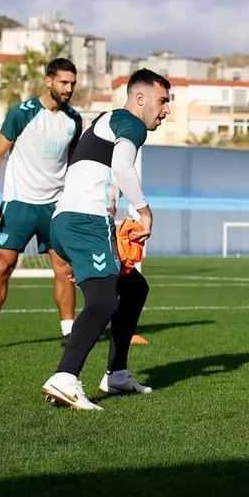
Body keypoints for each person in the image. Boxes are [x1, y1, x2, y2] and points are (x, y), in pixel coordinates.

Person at [40, 69, 169, 411]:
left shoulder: (107, 119)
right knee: (103, 302)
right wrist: (145, 212)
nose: (166, 110)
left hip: (72, 222)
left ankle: (117, 374)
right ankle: (65, 377)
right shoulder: (131, 122)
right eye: (162, 101)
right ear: (140, 98)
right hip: (86, 221)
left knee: (134, 288)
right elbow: (123, 168)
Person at [0, 58, 82, 352]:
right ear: (48, 81)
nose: (68, 88)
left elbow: (74, 164)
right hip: (19, 203)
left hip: (55, 206)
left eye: (72, 83)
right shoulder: (21, 113)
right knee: (3, 265)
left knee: (64, 267)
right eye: (63, 82)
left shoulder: (74, 120)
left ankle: (69, 331)